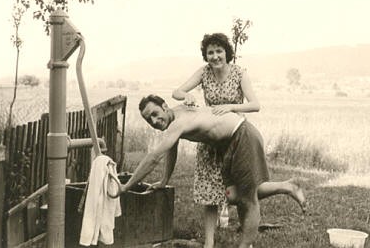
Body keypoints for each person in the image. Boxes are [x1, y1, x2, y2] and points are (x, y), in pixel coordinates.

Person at [112, 95, 306, 248]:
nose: (154, 121)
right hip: (229, 144)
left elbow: (154, 157)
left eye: (155, 113)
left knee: (248, 199)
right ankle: (287, 186)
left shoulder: (179, 122)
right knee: (231, 195)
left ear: (164, 106)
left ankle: (245, 245)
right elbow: (171, 150)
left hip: (243, 135)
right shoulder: (175, 116)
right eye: (149, 119)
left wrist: (126, 186)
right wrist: (164, 180)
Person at [172, 33, 260, 247]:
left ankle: (246, 242)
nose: (215, 56)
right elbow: (177, 91)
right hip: (211, 139)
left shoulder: (239, 73)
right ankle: (209, 244)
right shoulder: (204, 72)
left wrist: (231, 106)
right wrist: (187, 96)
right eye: (210, 52)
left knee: (241, 192)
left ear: (227, 53)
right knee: (209, 192)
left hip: (236, 139)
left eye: (219, 51)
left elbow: (255, 104)